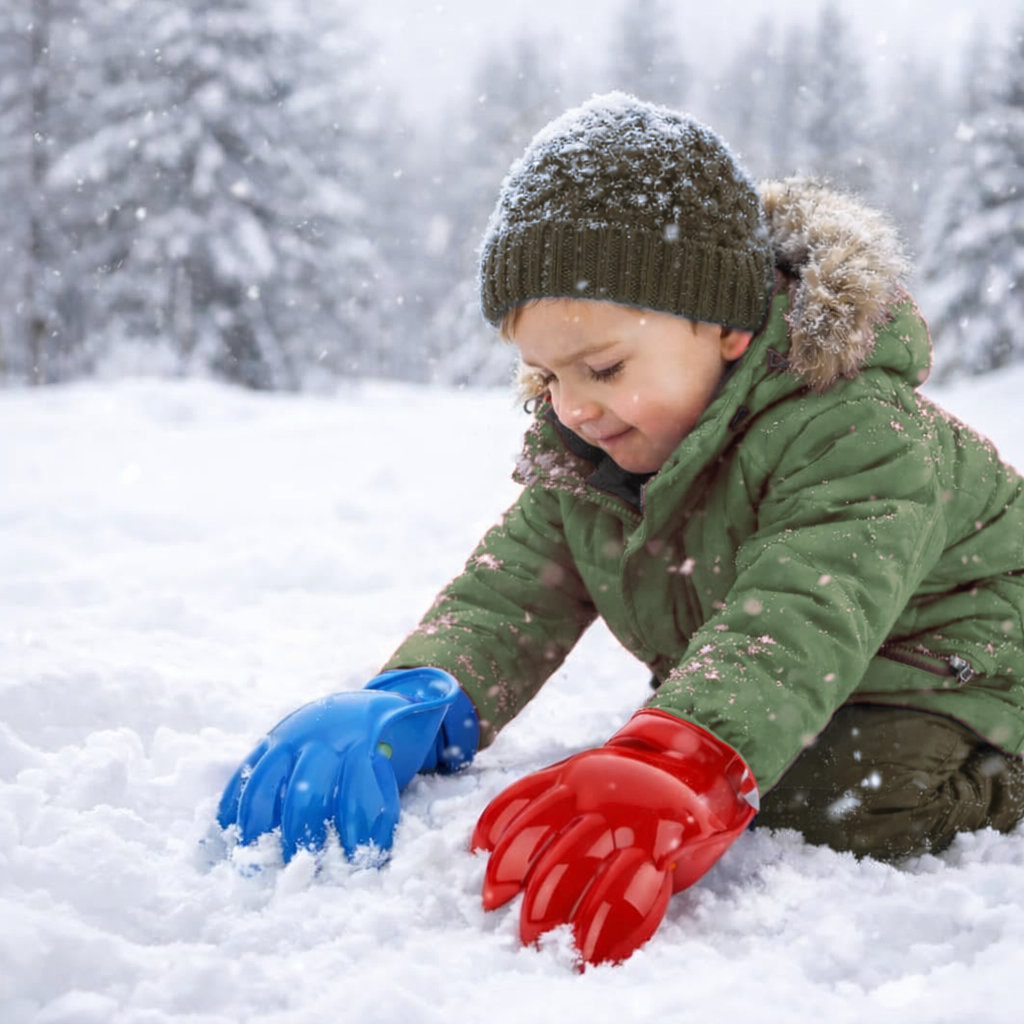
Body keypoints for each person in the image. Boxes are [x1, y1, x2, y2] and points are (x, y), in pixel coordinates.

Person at [217, 92, 1024, 965]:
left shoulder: (854, 429)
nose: (573, 406)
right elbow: (512, 592)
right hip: (842, 675)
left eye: (602, 367)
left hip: (972, 668)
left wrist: (690, 752)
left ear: (725, 325)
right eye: (546, 375)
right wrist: (417, 691)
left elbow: (798, 616)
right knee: (759, 757)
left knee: (845, 796)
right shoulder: (597, 456)